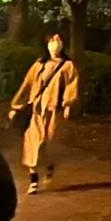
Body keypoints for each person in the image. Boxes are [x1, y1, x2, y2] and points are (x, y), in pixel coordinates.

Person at [7, 34, 78, 195]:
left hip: (54, 111)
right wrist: (16, 106)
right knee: (32, 143)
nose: (55, 44)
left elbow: (71, 87)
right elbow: (26, 85)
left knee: (49, 142)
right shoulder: (39, 64)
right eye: (52, 41)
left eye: (59, 41)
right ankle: (33, 180)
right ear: (46, 44)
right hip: (36, 111)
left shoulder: (68, 66)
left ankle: (49, 168)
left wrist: (67, 105)